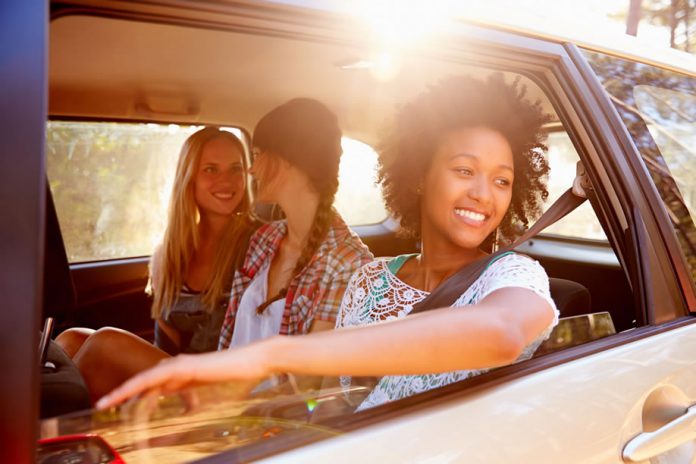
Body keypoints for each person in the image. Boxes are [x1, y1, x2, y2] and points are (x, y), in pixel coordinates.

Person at [97, 74, 559, 411]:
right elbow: (334, 402)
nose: (483, 193)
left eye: (502, 180)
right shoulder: (372, 277)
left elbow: (502, 333)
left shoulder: (512, 275)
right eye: (464, 170)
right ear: (419, 175)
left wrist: (267, 358)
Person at [56, 127, 257, 401]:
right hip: (179, 376)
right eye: (211, 169)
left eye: (236, 169)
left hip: (220, 382)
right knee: (71, 339)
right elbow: (166, 347)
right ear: (189, 178)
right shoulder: (170, 254)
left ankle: (60, 438)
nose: (227, 180)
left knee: (107, 342)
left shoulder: (258, 244)